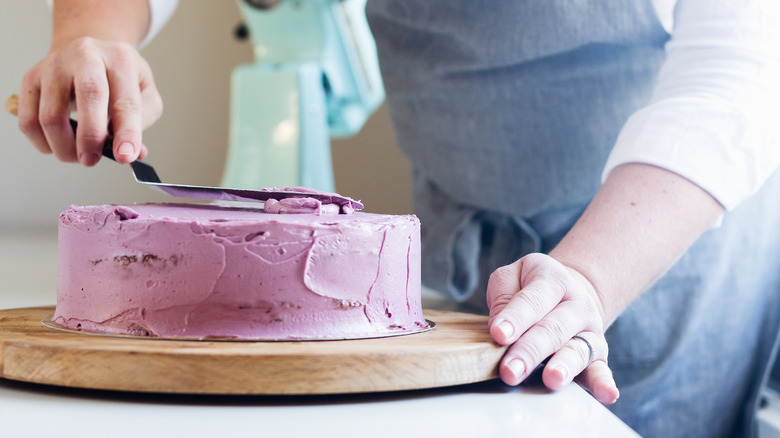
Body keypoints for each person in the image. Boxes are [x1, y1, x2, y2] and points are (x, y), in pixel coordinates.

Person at [17, 1, 780, 436]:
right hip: (457, 246)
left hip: (655, 245)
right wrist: (95, 38)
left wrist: (589, 277)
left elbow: (735, 76)